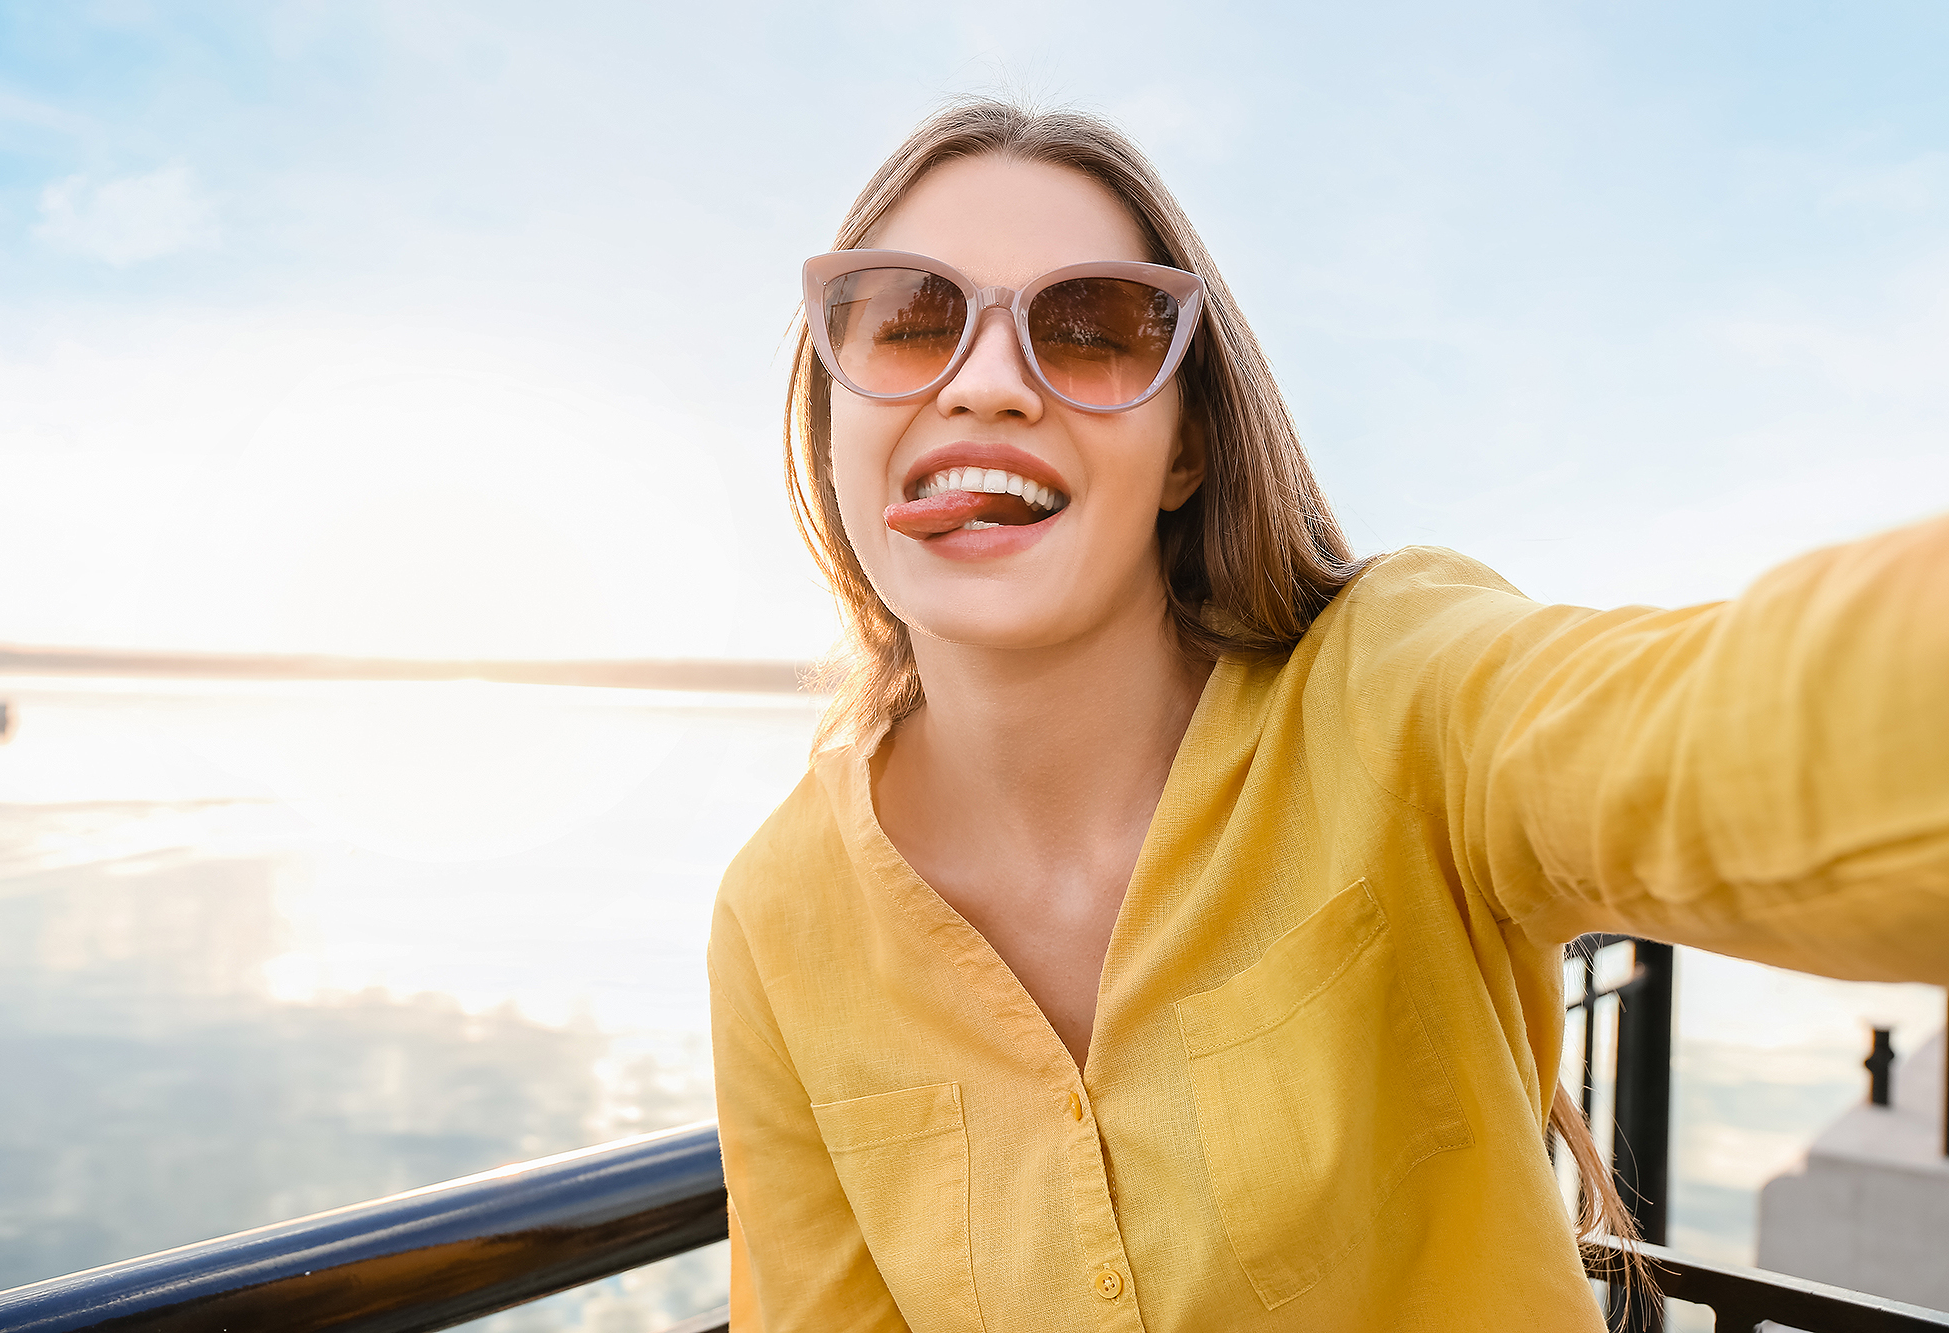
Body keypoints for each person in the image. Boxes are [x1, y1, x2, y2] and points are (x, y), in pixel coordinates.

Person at [705, 98, 1949, 1332]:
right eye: (911, 322)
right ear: (831, 416)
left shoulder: (1395, 690)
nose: (984, 384)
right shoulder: (775, 917)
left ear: (1186, 451)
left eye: (1089, 333)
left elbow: (1755, 729)